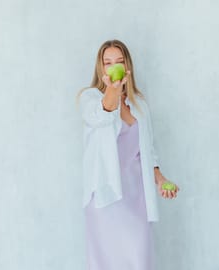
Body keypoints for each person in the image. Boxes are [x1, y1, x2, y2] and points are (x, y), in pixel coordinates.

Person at [77, 39, 179, 270]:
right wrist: (113, 90)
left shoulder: (139, 103)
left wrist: (162, 181)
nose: (114, 66)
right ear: (100, 68)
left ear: (128, 66)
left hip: (136, 198)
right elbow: (102, 115)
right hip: (105, 196)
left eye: (119, 62)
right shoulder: (90, 98)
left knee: (139, 261)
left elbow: (147, 152)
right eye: (108, 62)